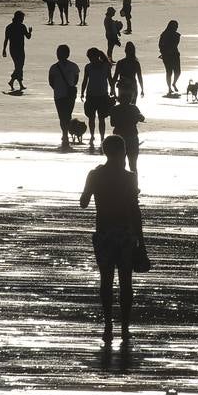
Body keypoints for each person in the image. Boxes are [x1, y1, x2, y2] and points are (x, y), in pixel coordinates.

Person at [80, 134, 144, 347]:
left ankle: (108, 325)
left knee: (106, 281)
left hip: (104, 234)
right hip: (125, 234)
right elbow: (135, 212)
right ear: (122, 152)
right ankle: (125, 328)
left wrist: (93, 185)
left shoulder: (95, 174)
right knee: (126, 283)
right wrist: (141, 243)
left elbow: (83, 203)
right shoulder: (129, 177)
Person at [81, 47, 113, 150]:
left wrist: (113, 90)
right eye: (89, 58)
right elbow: (85, 80)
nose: (90, 59)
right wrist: (82, 92)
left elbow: (110, 79)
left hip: (102, 95)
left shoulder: (105, 66)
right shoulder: (88, 67)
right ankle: (92, 135)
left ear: (96, 56)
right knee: (91, 118)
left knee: (101, 118)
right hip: (91, 95)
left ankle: (102, 137)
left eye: (91, 57)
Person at [50, 44, 81, 150]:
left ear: (67, 54)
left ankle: (65, 133)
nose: (59, 55)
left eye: (61, 53)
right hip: (59, 95)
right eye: (58, 53)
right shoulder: (54, 67)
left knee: (67, 115)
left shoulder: (73, 66)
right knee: (62, 116)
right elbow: (51, 81)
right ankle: (65, 133)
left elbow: (76, 80)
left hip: (68, 95)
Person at [109, 92, 146, 173]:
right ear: (130, 99)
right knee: (133, 164)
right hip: (132, 136)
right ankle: (133, 183)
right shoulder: (134, 108)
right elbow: (142, 118)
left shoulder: (115, 109)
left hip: (119, 138)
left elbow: (112, 123)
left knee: (120, 163)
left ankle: (120, 183)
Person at [3, 11, 32, 93]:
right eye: (22, 18)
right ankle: (13, 81)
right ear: (19, 18)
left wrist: (4, 49)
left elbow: (6, 39)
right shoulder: (22, 26)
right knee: (19, 66)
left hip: (12, 49)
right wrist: (30, 32)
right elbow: (28, 37)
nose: (23, 19)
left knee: (19, 66)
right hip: (19, 49)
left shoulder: (9, 27)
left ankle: (17, 83)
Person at [113, 40, 144, 105]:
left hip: (122, 86)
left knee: (122, 106)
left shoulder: (120, 62)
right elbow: (139, 77)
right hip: (132, 86)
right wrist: (142, 89)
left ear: (125, 51)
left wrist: (112, 88)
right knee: (132, 106)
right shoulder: (136, 63)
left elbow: (115, 76)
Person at [158, 20, 182, 96]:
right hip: (167, 55)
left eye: (177, 26)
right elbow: (160, 45)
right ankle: (169, 88)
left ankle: (174, 83)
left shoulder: (176, 35)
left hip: (175, 55)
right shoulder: (164, 34)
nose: (177, 28)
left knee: (178, 71)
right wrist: (163, 53)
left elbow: (175, 45)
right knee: (169, 72)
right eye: (176, 26)